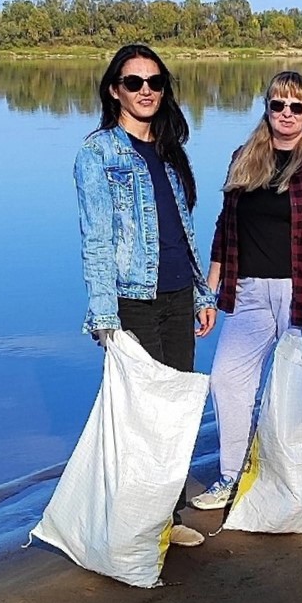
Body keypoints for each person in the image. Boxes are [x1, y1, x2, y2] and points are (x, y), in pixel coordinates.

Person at [74, 44, 217, 548]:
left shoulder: (169, 147)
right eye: (134, 83)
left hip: (179, 294)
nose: (146, 92)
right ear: (115, 90)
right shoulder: (98, 154)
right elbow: (96, 238)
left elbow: (183, 229)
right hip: (133, 299)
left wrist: (203, 293)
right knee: (143, 413)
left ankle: (167, 514)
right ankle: (137, 522)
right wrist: (103, 315)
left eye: (155, 82)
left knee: (175, 411)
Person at [191, 71, 302, 509]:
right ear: (267, 108)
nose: (286, 114)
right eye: (278, 105)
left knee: (296, 394)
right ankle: (232, 476)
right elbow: (226, 229)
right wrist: (209, 292)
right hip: (249, 293)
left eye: (295, 106)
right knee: (227, 379)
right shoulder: (245, 158)